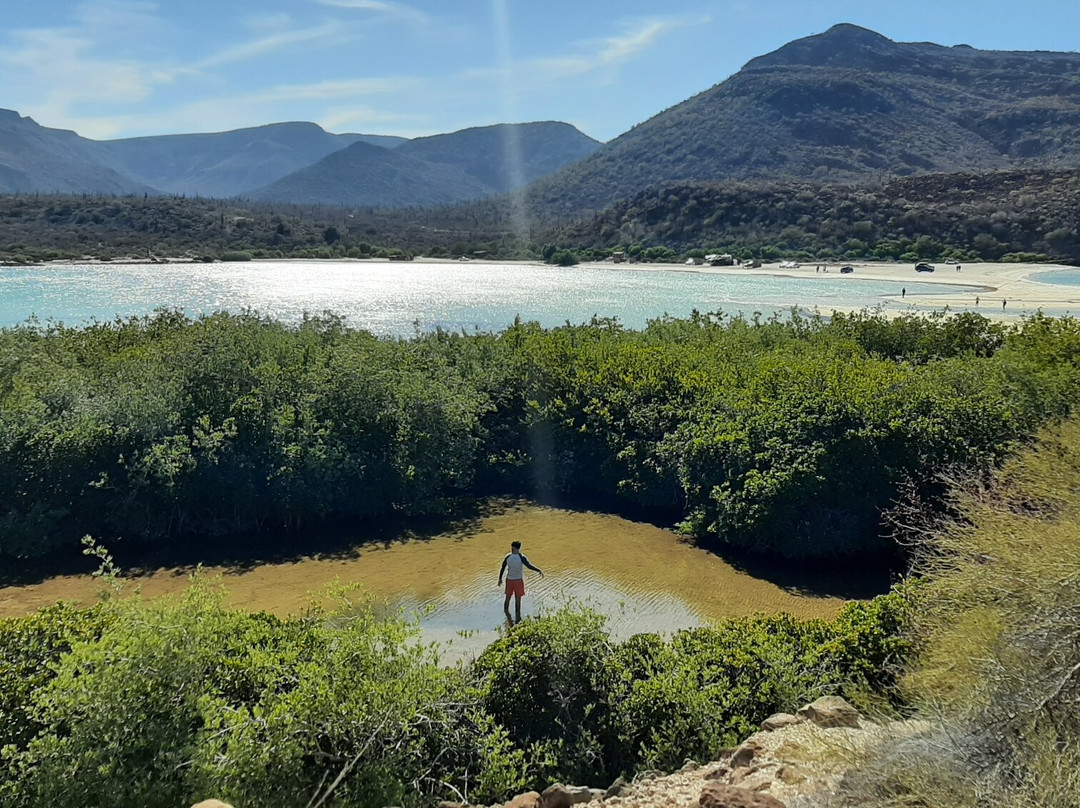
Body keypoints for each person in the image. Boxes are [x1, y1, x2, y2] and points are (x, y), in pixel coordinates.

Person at [498, 540, 543, 624]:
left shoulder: (510, 557)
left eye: (512, 547)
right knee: (514, 599)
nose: (511, 549)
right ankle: (517, 619)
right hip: (517, 580)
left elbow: (503, 568)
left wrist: (500, 578)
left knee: (510, 598)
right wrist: (538, 570)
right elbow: (528, 566)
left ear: (515, 548)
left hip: (511, 580)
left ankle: (508, 616)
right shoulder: (521, 557)